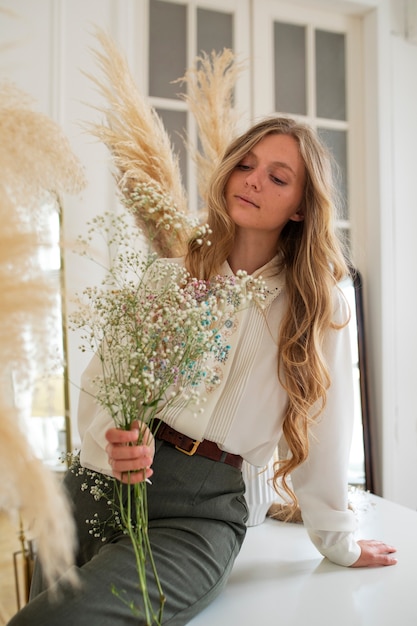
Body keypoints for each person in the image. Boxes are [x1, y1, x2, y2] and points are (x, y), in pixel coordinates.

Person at [8, 117, 397, 626]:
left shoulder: (316, 309)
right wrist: (114, 438)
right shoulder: (168, 279)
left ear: (302, 207)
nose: (253, 180)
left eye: (278, 178)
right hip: (98, 485)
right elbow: (107, 377)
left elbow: (324, 435)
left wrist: (338, 542)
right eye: (245, 165)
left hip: (199, 513)